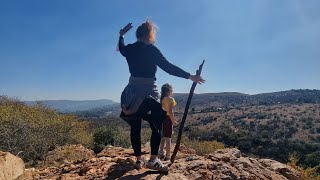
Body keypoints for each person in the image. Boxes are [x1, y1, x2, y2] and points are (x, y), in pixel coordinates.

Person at [118, 19, 205, 170]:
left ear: (138, 34)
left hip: (131, 94)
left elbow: (121, 47)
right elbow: (168, 67)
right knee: (156, 125)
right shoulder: (151, 50)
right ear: (149, 34)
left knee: (135, 126)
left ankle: (139, 160)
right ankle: (153, 160)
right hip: (148, 94)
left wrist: (121, 35)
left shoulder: (130, 49)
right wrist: (190, 76)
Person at [158, 83, 177, 161]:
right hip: (168, 119)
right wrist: (173, 121)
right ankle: (168, 156)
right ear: (169, 91)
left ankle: (160, 153)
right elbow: (170, 112)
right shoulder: (171, 99)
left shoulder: (162, 99)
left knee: (162, 138)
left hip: (162, 119)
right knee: (168, 138)